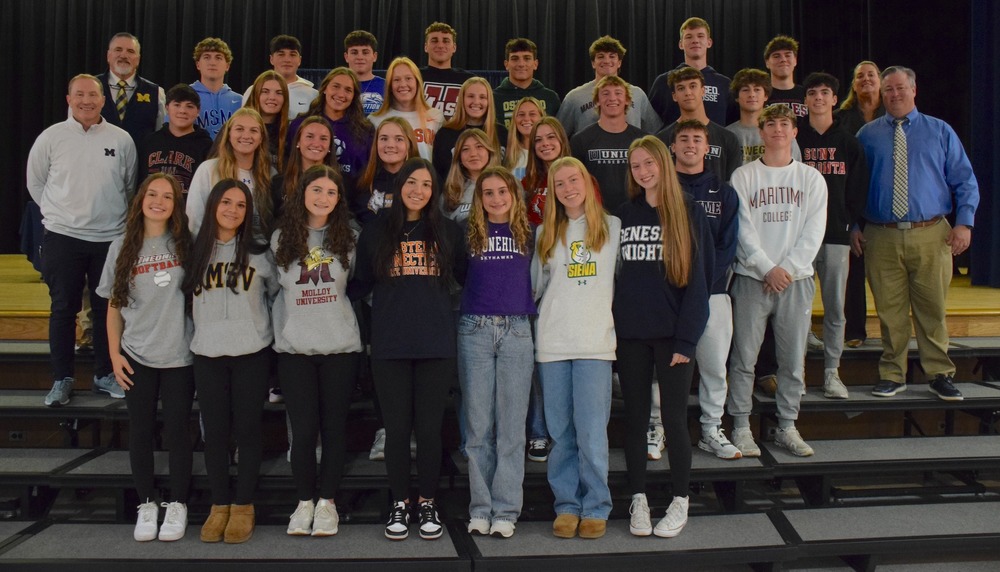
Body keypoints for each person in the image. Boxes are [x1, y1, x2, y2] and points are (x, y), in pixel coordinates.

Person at [349, 158, 467, 541]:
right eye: (411, 182)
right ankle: (400, 502)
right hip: (390, 345)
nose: (418, 190)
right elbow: (360, 284)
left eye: (427, 184)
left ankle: (428, 502)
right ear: (399, 186)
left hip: (436, 345)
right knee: (397, 431)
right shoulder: (375, 231)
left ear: (435, 191)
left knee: (430, 431)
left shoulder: (448, 231)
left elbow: (463, 278)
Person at [856, 66, 979, 401]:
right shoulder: (866, 135)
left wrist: (964, 223)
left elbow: (965, 181)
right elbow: (852, 186)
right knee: (889, 310)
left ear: (914, 90)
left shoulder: (940, 132)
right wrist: (853, 225)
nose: (894, 95)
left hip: (932, 233)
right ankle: (892, 374)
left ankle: (939, 373)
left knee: (932, 308)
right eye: (888, 90)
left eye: (900, 88)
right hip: (881, 235)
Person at [616, 136, 711, 538]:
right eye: (635, 166)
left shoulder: (688, 211)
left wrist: (686, 341)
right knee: (635, 420)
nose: (642, 171)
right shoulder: (623, 214)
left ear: (663, 163)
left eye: (648, 163)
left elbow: (701, 283)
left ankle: (679, 500)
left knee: (673, 419)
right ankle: (638, 499)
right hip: (632, 336)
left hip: (673, 338)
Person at [28, 74, 137, 407]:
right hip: (64, 238)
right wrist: (61, 216)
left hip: (110, 240)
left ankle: (105, 375)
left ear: (103, 100)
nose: (86, 101)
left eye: (93, 95)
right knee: (63, 309)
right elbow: (36, 184)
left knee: (108, 309)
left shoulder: (121, 140)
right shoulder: (50, 138)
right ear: (69, 98)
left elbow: (130, 187)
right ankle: (62, 378)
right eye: (80, 95)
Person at [97, 173, 194, 542]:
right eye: (152, 194)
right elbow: (113, 305)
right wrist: (114, 354)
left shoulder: (185, 242)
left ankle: (178, 504)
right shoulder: (121, 245)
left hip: (179, 355)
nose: (158, 201)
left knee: (178, 432)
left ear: (175, 205)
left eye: (167, 196)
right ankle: (148, 503)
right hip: (137, 354)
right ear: (140, 199)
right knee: (140, 431)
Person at [727, 104, 827, 458]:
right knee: (743, 358)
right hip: (753, 279)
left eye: (785, 124)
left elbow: (814, 232)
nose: (778, 130)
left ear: (794, 131)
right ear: (762, 132)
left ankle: (787, 425)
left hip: (796, 280)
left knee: (792, 360)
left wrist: (786, 268)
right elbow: (742, 229)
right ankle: (740, 426)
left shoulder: (811, 178)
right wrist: (766, 267)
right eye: (771, 125)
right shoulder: (743, 176)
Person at [182, 179, 278, 544]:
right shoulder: (193, 250)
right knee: (215, 433)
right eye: (226, 202)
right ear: (212, 206)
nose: (233, 210)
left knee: (249, 430)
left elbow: (271, 294)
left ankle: (243, 505)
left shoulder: (258, 250)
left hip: (251, 352)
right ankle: (219, 504)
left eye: (241, 205)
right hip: (207, 352)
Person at [533, 157, 621, 540]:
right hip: (552, 342)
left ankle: (596, 505)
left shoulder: (612, 227)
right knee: (561, 430)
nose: (568, 188)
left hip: (595, 343)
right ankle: (566, 505)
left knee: (590, 430)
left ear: (587, 182)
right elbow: (536, 289)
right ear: (553, 192)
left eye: (574, 180)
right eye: (560, 184)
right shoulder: (545, 234)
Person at [272, 165, 361, 537]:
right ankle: (304, 501)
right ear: (303, 192)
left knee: (334, 429)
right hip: (295, 348)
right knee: (304, 432)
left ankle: (327, 503)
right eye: (317, 190)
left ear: (339, 199)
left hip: (340, 346)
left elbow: (353, 284)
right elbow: (273, 290)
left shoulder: (349, 238)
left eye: (331, 192)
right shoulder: (281, 238)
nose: (323, 198)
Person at [459, 166, 537, 539]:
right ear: (479, 199)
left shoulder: (530, 233)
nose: (495, 198)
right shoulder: (468, 234)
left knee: (511, 427)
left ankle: (506, 509)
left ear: (513, 194)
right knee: (478, 426)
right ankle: (480, 507)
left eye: (502, 191)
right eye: (487, 192)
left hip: (517, 330)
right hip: (474, 328)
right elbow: (457, 277)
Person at [670, 120, 741, 460]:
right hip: (670, 293)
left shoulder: (724, 191)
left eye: (697, 139)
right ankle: (658, 426)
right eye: (683, 138)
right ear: (672, 147)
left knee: (714, 365)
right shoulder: (661, 189)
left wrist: (704, 282)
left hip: (712, 293)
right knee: (664, 366)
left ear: (707, 147)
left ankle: (711, 428)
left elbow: (728, 245)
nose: (690, 144)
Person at [796, 72, 869, 399]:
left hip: (836, 235)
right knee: (796, 309)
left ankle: (831, 373)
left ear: (834, 99)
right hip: (798, 237)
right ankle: (794, 372)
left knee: (835, 308)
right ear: (806, 100)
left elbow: (858, 189)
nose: (819, 98)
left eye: (825, 92)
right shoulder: (797, 140)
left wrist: (851, 224)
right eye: (813, 93)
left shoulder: (849, 142)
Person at [836, 61, 884, 347]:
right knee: (852, 270)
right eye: (859, 76)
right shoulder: (841, 118)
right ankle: (855, 330)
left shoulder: (894, 115)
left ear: (880, 81)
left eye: (871, 75)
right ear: (853, 85)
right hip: (852, 201)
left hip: (884, 203)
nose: (866, 79)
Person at [186, 107, 276, 240]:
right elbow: (194, 220)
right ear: (228, 134)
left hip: (257, 253)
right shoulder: (208, 169)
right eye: (239, 129)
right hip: (215, 252)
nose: (246, 136)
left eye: (253, 130)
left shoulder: (271, 174)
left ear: (261, 137)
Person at [556, 35, 662, 138]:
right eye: (600, 56)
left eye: (612, 56)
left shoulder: (637, 95)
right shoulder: (575, 97)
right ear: (593, 63)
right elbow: (558, 134)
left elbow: (654, 132)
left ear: (619, 62)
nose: (606, 61)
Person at [288, 68, 375, 189]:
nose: (341, 94)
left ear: (354, 96)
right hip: (303, 193)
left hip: (352, 199)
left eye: (348, 90)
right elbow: (289, 162)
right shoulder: (300, 125)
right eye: (336, 86)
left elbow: (370, 169)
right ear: (324, 89)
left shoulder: (366, 130)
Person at [570, 75, 646, 211]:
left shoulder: (643, 140)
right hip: (595, 216)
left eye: (618, 93)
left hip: (635, 215)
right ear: (597, 101)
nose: (612, 98)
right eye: (605, 94)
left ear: (627, 100)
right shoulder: (580, 141)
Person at [655, 67, 742, 183]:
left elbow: (733, 183)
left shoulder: (728, 138)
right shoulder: (661, 140)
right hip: (676, 200)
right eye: (681, 88)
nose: (688, 93)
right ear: (674, 96)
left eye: (693, 86)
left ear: (703, 90)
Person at [648, 17, 732, 127]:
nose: (695, 40)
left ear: (709, 42)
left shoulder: (724, 84)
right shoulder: (664, 81)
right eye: (689, 37)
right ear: (681, 44)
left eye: (700, 36)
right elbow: (651, 124)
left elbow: (733, 124)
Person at [137, 84, 213, 195]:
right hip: (153, 208)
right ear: (167, 108)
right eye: (177, 105)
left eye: (189, 106)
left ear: (198, 111)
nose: (182, 111)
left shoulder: (206, 146)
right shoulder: (150, 142)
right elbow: (140, 184)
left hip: (188, 211)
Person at [95, 32, 166, 146]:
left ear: (138, 59)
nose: (123, 55)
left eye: (130, 51)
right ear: (108, 56)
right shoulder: (88, 87)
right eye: (118, 50)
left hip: (140, 162)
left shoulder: (156, 93)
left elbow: (161, 136)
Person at [370, 57, 445, 161]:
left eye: (408, 78)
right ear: (390, 86)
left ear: (417, 82)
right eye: (396, 80)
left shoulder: (436, 116)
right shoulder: (375, 119)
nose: (403, 84)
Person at [432, 77, 507, 180]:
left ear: (489, 101)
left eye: (482, 97)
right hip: (454, 194)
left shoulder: (502, 133)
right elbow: (438, 175)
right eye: (471, 96)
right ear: (462, 99)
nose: (476, 102)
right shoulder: (445, 134)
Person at [726, 68, 803, 165]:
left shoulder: (781, 132)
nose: (752, 94)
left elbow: (796, 169)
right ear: (737, 97)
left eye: (757, 89)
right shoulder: (727, 134)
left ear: (766, 95)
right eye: (745, 90)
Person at [353, 117, 420, 224]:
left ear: (409, 143)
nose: (390, 145)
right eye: (384, 139)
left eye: (399, 139)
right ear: (376, 143)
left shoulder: (425, 179)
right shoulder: (362, 179)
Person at [242, 35, 317, 120]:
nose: (287, 60)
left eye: (292, 55)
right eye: (281, 54)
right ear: (271, 59)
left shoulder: (313, 95)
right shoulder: (253, 90)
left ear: (299, 60)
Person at [493, 38, 561, 129]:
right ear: (506, 64)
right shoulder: (493, 98)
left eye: (527, 58)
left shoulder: (550, 98)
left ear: (535, 64)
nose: (521, 64)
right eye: (515, 58)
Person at [442, 129, 501, 228]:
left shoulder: (508, 184)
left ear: (489, 151)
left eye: (479, 147)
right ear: (458, 157)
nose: (473, 154)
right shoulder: (450, 192)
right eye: (465, 149)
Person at [523, 117, 575, 228]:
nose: (545, 143)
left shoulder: (581, 178)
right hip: (537, 242)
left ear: (562, 140)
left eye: (551, 137)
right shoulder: (527, 182)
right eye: (538, 140)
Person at [420, 22, 475, 121]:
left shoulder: (469, 80)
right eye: (434, 41)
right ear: (425, 47)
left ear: (454, 47)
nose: (440, 45)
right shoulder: (414, 76)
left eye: (446, 41)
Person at [190, 37, 242, 140]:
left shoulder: (240, 101)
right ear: (198, 65)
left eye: (218, 58)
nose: (212, 63)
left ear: (227, 66)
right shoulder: (185, 96)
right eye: (207, 57)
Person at [280, 116, 339, 202]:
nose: (316, 144)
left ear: (330, 146)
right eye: (310, 137)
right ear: (298, 142)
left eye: (323, 139)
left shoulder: (343, 184)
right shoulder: (279, 183)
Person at [244, 71, 290, 171]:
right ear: (256, 94)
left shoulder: (291, 130)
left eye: (279, 93)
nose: (272, 97)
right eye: (265, 91)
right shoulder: (237, 125)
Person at [763, 36, 806, 117]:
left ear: (795, 60)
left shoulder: (807, 94)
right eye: (776, 56)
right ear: (767, 63)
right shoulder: (759, 96)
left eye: (787, 55)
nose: (783, 59)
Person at [344, 30, 386, 115]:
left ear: (374, 56)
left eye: (365, 52)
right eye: (354, 52)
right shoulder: (337, 87)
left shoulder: (387, 86)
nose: (360, 57)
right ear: (346, 57)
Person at [503, 97, 545, 182]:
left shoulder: (549, 151)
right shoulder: (506, 155)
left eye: (532, 114)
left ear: (541, 118)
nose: (526, 119)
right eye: (521, 114)